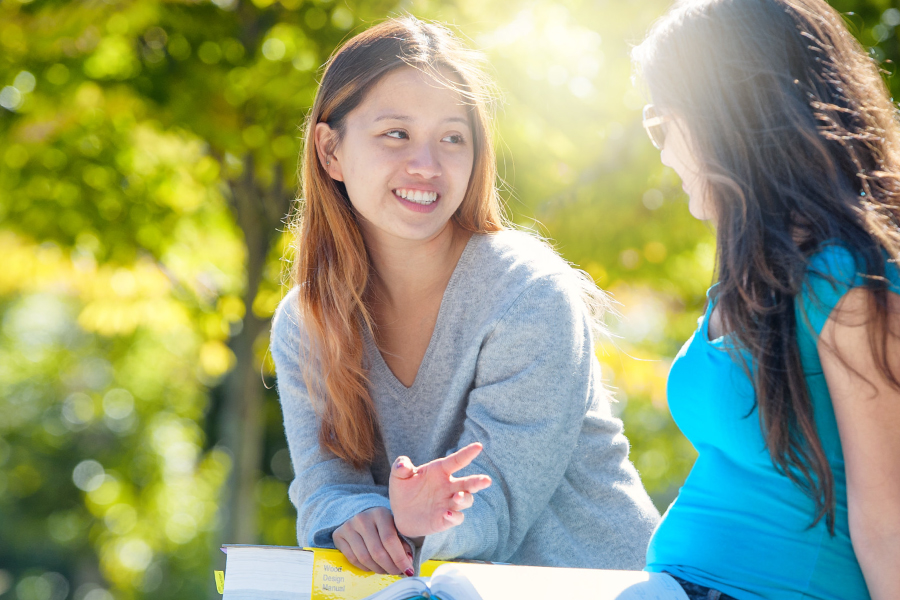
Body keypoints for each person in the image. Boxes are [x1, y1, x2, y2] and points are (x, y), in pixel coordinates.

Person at [270, 16, 660, 579]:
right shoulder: (306, 321)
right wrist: (357, 515)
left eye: (452, 138)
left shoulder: (527, 293)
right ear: (330, 151)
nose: (426, 165)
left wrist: (424, 516)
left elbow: (494, 512)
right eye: (396, 134)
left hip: (591, 585)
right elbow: (325, 487)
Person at [631, 0, 900, 598]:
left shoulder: (845, 279)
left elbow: (889, 524)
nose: (662, 152)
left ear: (721, 116)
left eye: (661, 123)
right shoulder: (748, 275)